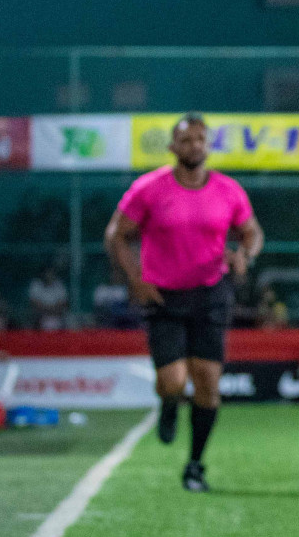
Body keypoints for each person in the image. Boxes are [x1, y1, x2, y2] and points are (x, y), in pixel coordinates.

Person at [105, 114, 264, 492]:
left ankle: (195, 465)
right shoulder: (149, 188)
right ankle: (169, 403)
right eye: (186, 140)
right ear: (173, 147)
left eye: (200, 139)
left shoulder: (228, 190)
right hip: (163, 296)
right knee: (173, 382)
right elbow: (116, 235)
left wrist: (245, 255)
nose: (194, 145)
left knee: (208, 385)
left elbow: (252, 232)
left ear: (207, 145)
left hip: (211, 295)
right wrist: (136, 279)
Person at [28, 265, 69, 330]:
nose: (49, 275)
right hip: (40, 316)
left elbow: (63, 303)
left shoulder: (59, 285)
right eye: (47, 273)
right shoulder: (36, 284)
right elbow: (35, 303)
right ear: (43, 274)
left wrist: (51, 310)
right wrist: (48, 310)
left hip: (56, 315)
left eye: (51, 273)